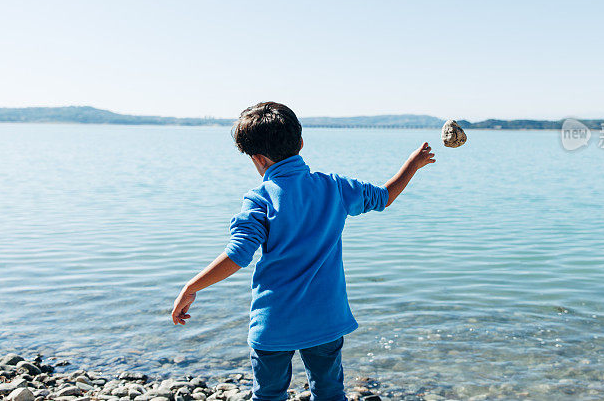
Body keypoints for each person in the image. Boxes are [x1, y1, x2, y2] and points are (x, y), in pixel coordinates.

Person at [171, 102, 435, 401]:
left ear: (257, 158)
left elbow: (238, 255)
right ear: (300, 143)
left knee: (268, 394)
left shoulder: (260, 199)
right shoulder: (334, 187)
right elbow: (384, 197)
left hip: (274, 321)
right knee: (329, 392)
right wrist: (413, 164)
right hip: (326, 318)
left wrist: (192, 286)